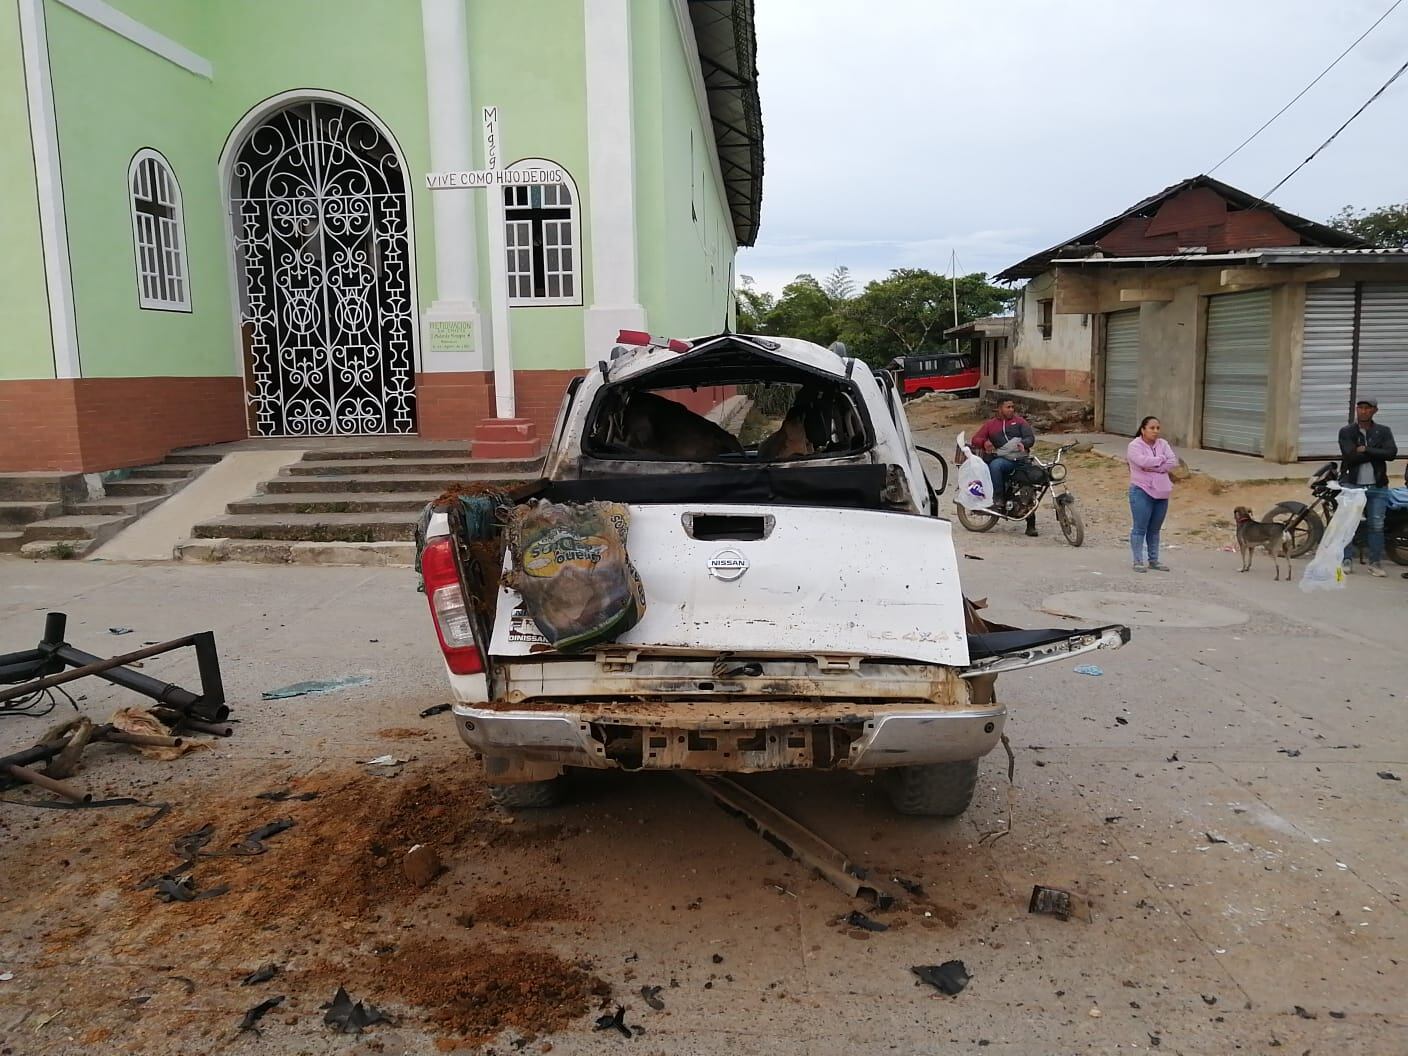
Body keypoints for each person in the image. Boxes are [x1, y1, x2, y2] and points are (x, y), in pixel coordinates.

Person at [1337, 397, 1397, 578]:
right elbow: (1351, 456)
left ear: (1374, 411)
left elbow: (1392, 453)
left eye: (1367, 408)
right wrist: (1377, 452)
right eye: (1360, 407)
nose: (1363, 411)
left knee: (1376, 525)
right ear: (1356, 410)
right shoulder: (1347, 431)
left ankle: (1375, 563)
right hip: (1352, 485)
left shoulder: (1383, 431)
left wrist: (1366, 449)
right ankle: (1346, 560)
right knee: (1348, 524)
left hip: (1377, 486)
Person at [970, 398, 1039, 536]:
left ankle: (1031, 525)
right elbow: (975, 439)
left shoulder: (1020, 422)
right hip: (1004, 460)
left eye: (1013, 407)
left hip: (1021, 459)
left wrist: (1024, 444)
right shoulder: (990, 425)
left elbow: (1030, 438)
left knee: (1028, 486)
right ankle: (998, 498)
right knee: (996, 465)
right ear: (999, 409)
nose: (1011, 410)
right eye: (1008, 407)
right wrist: (984, 443)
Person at [1126, 415, 1176, 573]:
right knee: (1140, 528)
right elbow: (1142, 462)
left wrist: (1156, 465)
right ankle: (1138, 561)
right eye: (1152, 428)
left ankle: (1154, 560)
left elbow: (1173, 461)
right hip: (1142, 490)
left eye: (1157, 428)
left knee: (1155, 529)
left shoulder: (1163, 444)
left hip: (1161, 492)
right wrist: (1161, 460)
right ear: (1143, 430)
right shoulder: (1134, 446)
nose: (1155, 431)